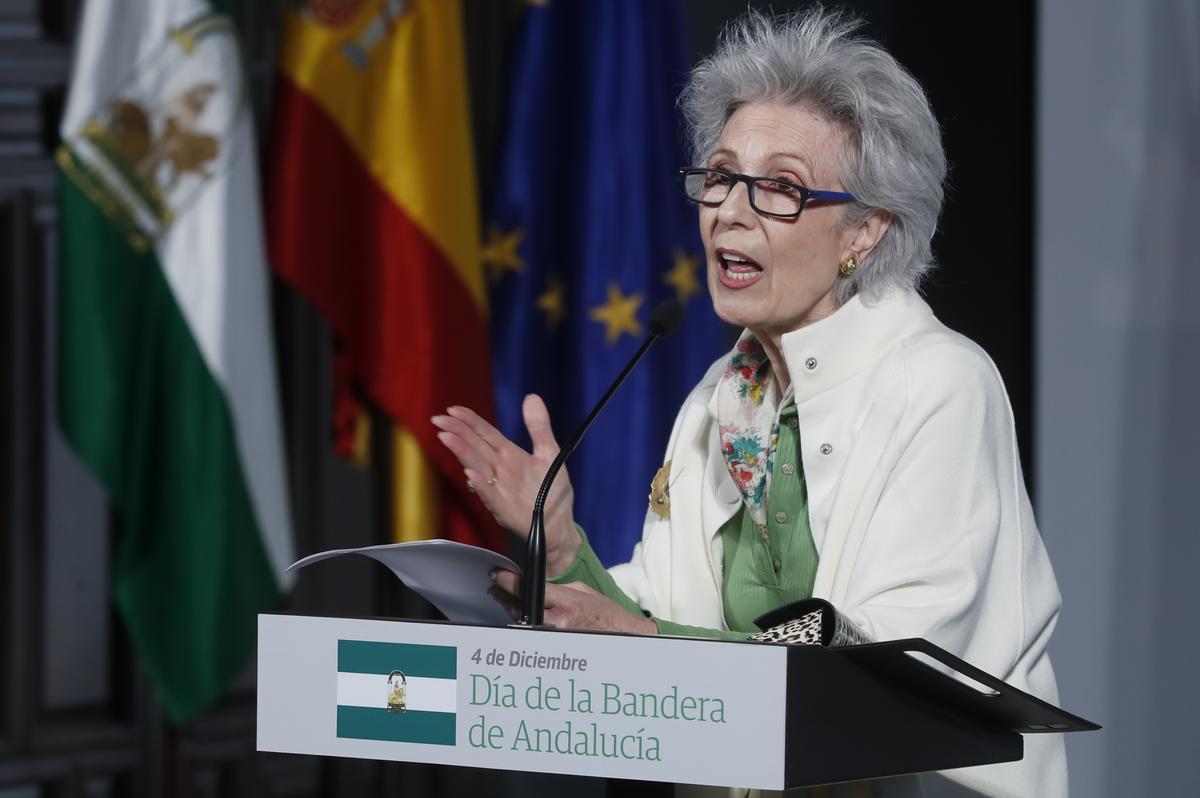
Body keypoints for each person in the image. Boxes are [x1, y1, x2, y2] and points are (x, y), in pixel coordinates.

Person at [433, 8, 1065, 796]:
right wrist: (562, 549)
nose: (730, 208)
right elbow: (653, 633)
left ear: (865, 231)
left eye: (781, 188)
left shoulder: (939, 383)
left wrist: (649, 637)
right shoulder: (718, 399)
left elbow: (882, 665)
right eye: (723, 175)